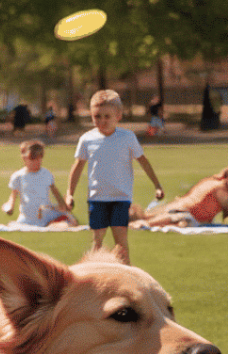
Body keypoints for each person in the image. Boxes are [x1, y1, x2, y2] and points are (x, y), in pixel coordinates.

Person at [62, 89, 166, 260]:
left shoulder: (127, 138)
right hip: (97, 198)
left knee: (121, 243)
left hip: (120, 198)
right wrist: (69, 194)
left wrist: (157, 185)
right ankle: (95, 276)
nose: (101, 121)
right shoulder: (87, 139)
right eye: (97, 116)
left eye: (106, 116)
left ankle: (128, 275)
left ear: (118, 115)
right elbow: (77, 167)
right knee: (97, 241)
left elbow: (143, 162)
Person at [2, 140, 76, 229]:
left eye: (39, 158)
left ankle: (50, 224)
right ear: (25, 158)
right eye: (32, 159)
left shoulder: (46, 173)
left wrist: (64, 205)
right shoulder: (18, 176)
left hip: (46, 213)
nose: (36, 162)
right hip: (28, 216)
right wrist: (9, 207)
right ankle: (49, 225)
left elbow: (56, 193)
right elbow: (13, 196)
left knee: (72, 222)